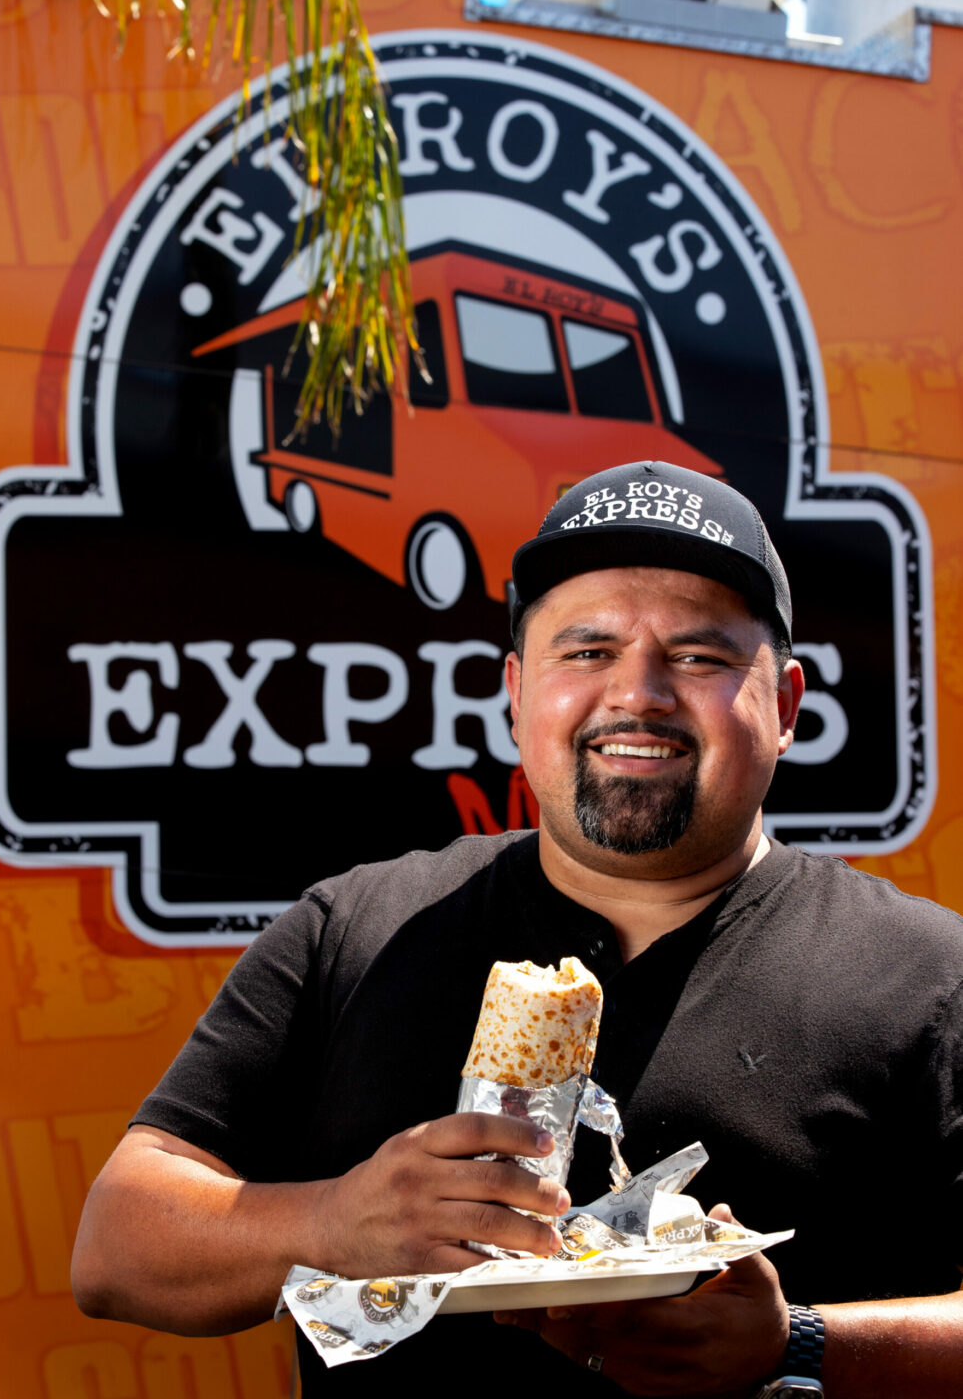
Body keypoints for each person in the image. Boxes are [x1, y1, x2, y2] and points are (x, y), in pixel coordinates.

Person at [72, 460, 963, 1397]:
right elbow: (116, 1249)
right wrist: (331, 1222)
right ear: (515, 690)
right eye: (586, 651)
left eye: (697, 657)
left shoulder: (926, 974)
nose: (637, 694)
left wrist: (802, 1347)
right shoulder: (354, 931)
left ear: (782, 706)